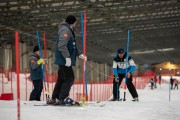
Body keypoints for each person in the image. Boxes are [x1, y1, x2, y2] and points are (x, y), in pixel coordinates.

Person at [48, 15, 87, 105]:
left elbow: (72, 45)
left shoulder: (69, 30)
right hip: (64, 59)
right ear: (72, 22)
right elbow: (62, 45)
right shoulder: (65, 30)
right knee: (69, 78)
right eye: (75, 22)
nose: (76, 24)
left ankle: (55, 97)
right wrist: (67, 58)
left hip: (64, 59)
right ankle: (63, 98)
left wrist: (79, 54)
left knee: (62, 79)